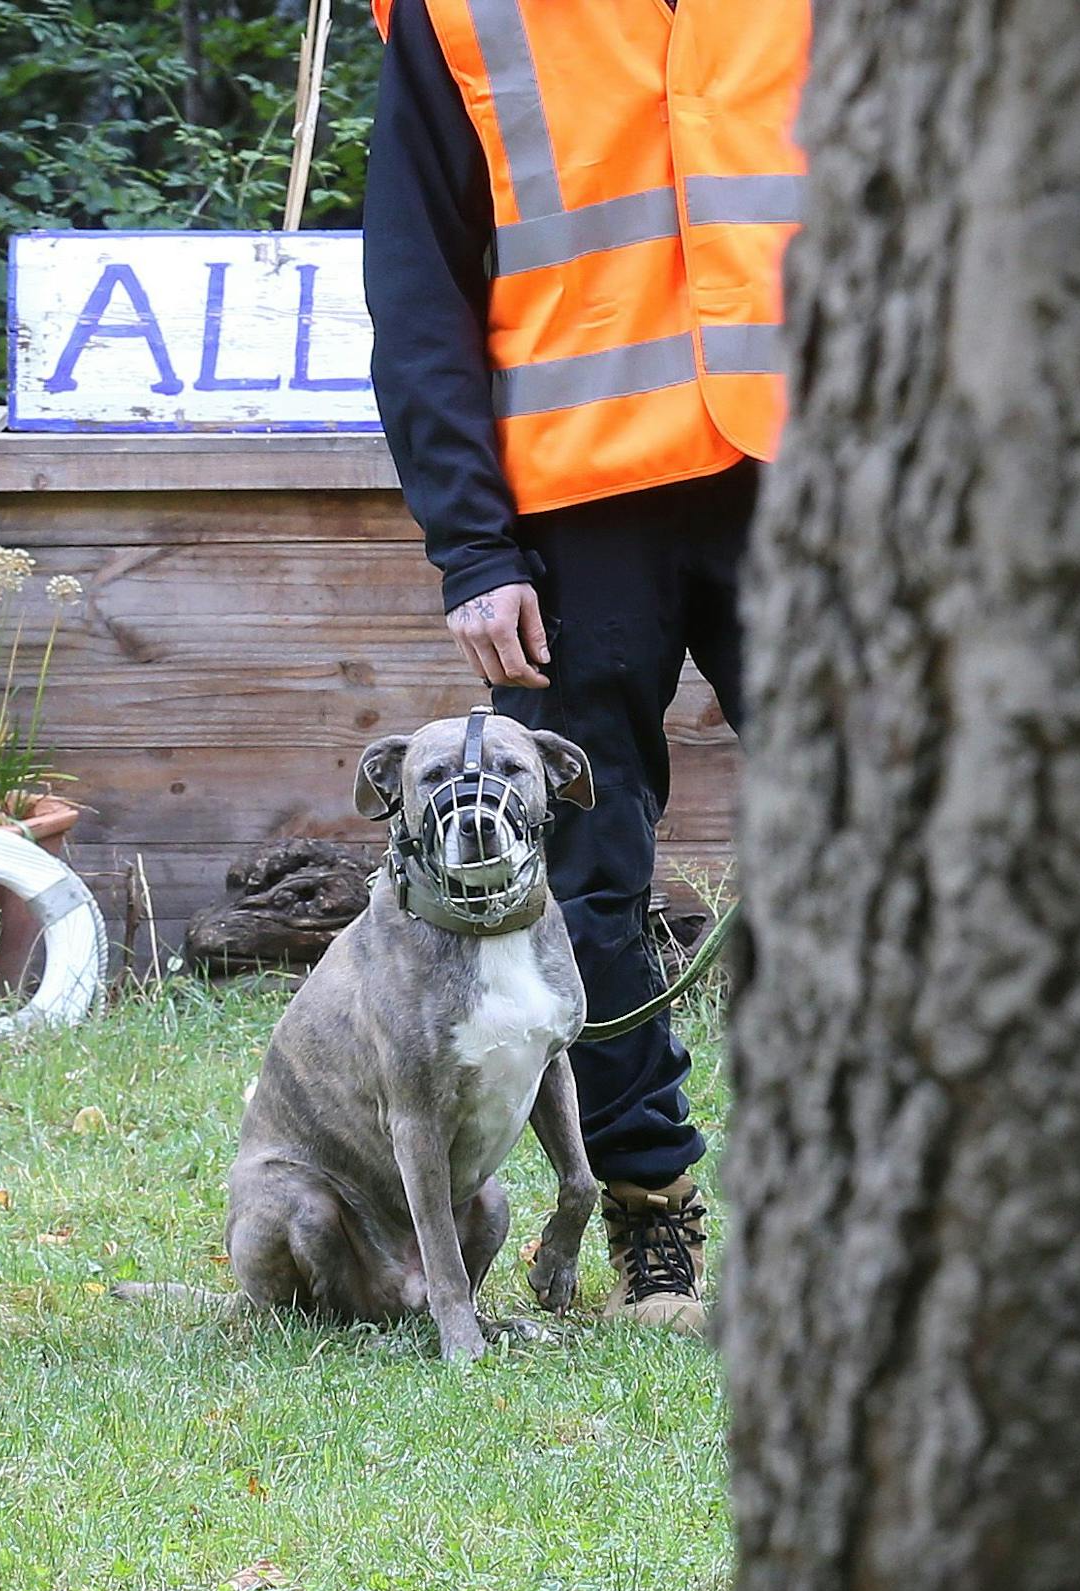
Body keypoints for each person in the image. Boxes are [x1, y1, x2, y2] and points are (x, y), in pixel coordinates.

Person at [362, 0, 809, 1334]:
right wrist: (472, 545)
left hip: (823, 476)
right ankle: (652, 1218)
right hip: (575, 508)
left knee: (877, 862)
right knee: (586, 883)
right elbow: (416, 276)